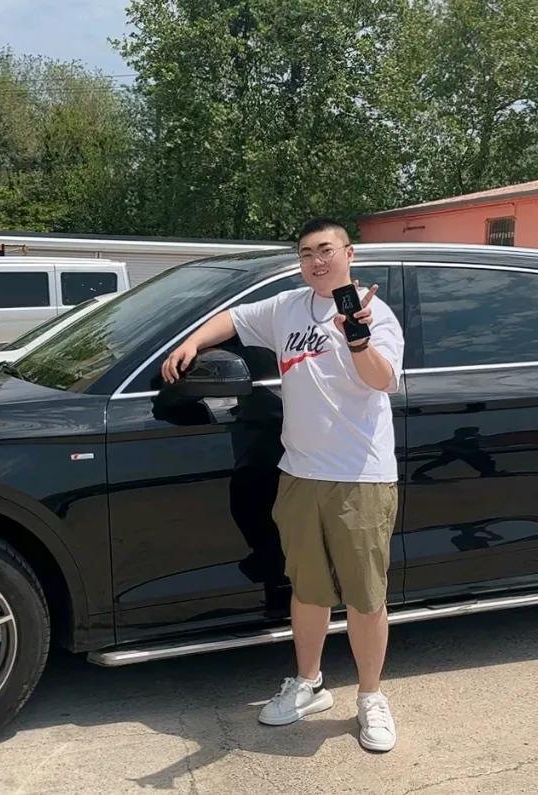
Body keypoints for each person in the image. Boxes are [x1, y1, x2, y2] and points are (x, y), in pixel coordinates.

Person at [162, 217, 405, 753]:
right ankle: (309, 683)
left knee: (366, 597)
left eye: (326, 250)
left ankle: (370, 696)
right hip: (299, 475)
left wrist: (357, 338)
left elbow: (383, 380)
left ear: (349, 254)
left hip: (359, 478)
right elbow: (231, 318)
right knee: (307, 590)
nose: (316, 261)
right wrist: (190, 343)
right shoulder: (286, 308)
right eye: (306, 253)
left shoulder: (376, 314)